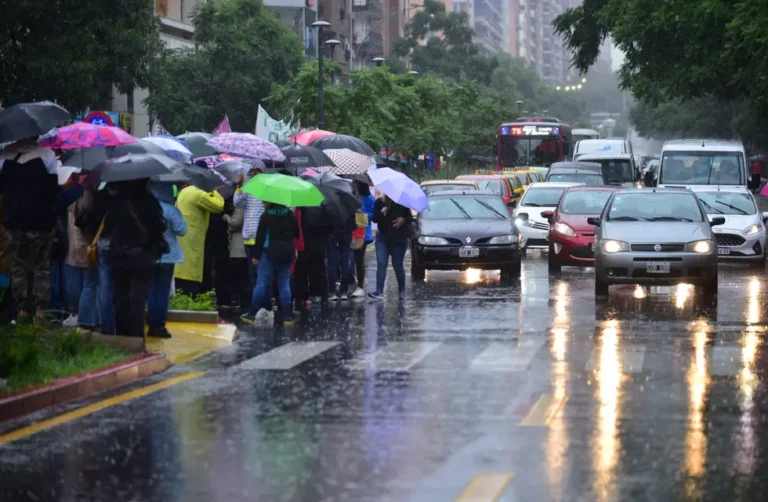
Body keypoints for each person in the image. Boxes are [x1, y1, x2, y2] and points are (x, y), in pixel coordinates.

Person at [0, 139, 75, 320]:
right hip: (41, 220)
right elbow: (52, 190)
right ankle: (41, 311)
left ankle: (21, 310)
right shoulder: (46, 155)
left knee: (18, 265)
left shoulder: (5, 155)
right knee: (42, 266)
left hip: (14, 221)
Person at [106, 179, 168, 338]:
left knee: (120, 297)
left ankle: (122, 336)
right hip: (142, 256)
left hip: (118, 255)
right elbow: (159, 227)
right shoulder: (150, 200)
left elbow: (109, 224)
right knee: (138, 300)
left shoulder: (116, 200)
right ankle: (136, 337)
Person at [240, 202, 299, 326]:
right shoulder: (290, 215)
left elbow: (260, 237)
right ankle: (288, 316)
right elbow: (296, 234)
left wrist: (256, 256)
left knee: (261, 283)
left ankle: (251, 314)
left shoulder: (266, 216)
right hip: (287, 252)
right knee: (284, 284)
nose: (263, 202)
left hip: (269, 253)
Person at [147, 183, 187, 338]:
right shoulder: (172, 210)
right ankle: (159, 325)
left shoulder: (148, 209)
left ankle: (150, 323)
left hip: (151, 255)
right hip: (168, 255)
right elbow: (182, 231)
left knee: (151, 291)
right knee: (163, 291)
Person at [63, 181, 100, 329]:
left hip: (72, 244)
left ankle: (74, 314)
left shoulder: (72, 194)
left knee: (74, 282)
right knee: (89, 284)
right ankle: (86, 319)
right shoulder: (91, 195)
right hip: (88, 244)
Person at [174, 185, 224, 295]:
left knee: (182, 273)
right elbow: (219, 206)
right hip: (193, 241)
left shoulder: (183, 192)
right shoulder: (198, 193)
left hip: (181, 240)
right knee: (191, 272)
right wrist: (215, 191)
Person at [368, 194, 413, 301]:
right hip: (382, 238)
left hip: (398, 238)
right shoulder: (379, 202)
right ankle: (379, 291)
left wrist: (404, 220)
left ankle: (402, 290)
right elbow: (374, 219)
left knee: (397, 265)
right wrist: (382, 211)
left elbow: (409, 217)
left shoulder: (402, 202)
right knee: (381, 263)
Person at [294, 204, 333, 308]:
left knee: (301, 272)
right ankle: (323, 296)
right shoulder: (323, 207)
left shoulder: (300, 207)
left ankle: (301, 298)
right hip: (319, 245)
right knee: (320, 270)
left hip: (303, 245)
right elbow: (329, 227)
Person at [234, 168, 265, 289]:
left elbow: (237, 202)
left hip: (258, 237)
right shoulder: (248, 189)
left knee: (259, 273)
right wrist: (240, 185)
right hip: (249, 237)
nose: (252, 175)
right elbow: (237, 203)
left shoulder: (263, 189)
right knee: (253, 273)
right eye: (251, 173)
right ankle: (258, 301)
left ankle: (262, 301)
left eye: (255, 172)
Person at [224, 203, 251, 316]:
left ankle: (244, 304)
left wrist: (227, 218)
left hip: (238, 247)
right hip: (244, 247)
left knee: (240, 278)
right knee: (245, 277)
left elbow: (237, 222)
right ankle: (245, 303)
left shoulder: (241, 205)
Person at [349, 181, 375, 298]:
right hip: (352, 232)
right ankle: (354, 282)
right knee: (351, 260)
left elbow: (373, 216)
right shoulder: (353, 198)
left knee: (359, 260)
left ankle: (360, 286)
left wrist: (362, 214)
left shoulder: (369, 199)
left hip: (363, 234)